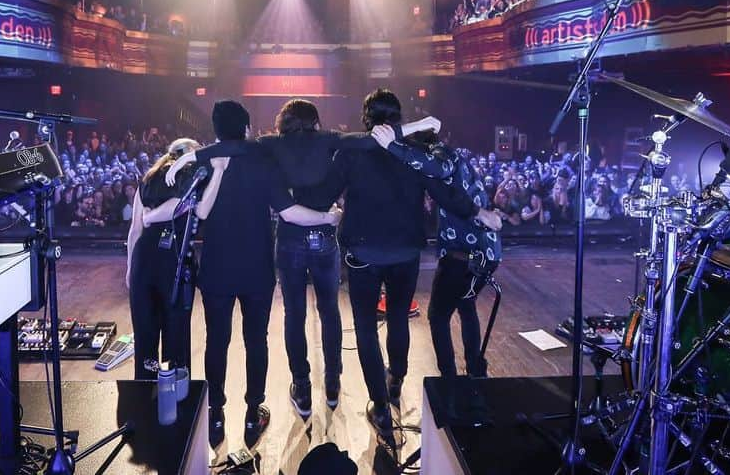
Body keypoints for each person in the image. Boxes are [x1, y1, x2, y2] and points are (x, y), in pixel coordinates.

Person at [167, 101, 440, 418]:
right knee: (329, 312)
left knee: (294, 315)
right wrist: (420, 124)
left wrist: (189, 155)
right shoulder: (327, 140)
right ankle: (333, 383)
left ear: (283, 122)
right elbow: (370, 139)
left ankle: (302, 388)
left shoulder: (270, 145)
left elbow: (233, 147)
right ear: (315, 121)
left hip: (290, 238)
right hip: (324, 236)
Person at [322, 89, 502, 442]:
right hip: (405, 254)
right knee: (399, 316)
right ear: (398, 118)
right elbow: (444, 193)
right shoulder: (413, 152)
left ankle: (380, 406)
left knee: (365, 329)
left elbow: (326, 191)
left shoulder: (351, 153)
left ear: (365, 117)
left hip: (364, 253)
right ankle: (396, 380)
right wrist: (479, 212)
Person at [193, 100, 343, 450]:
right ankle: (251, 412)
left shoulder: (204, 163)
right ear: (247, 130)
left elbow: (198, 212)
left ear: (216, 131)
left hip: (215, 267)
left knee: (217, 340)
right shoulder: (261, 160)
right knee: (255, 340)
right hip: (255, 269)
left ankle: (215, 413)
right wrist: (328, 218)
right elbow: (290, 213)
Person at [376, 127, 502, 380]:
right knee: (466, 306)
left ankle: (449, 379)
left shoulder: (440, 155)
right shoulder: (456, 157)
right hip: (486, 252)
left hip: (462, 255)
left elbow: (434, 168)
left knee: (437, 316)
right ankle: (477, 372)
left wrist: (394, 146)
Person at [124, 138, 201, 380]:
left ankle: (143, 401)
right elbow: (180, 204)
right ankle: (178, 400)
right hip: (172, 261)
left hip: (142, 260)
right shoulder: (188, 174)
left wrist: (129, 267)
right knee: (176, 336)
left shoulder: (147, 179)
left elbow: (134, 229)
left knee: (145, 337)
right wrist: (153, 217)